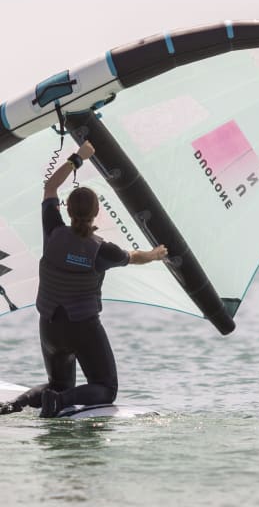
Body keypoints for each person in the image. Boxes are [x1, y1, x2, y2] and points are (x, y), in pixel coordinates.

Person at [0, 140, 167, 418]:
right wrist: (155, 254)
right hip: (82, 328)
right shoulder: (102, 250)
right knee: (104, 387)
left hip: (50, 325)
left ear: (67, 209)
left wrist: (79, 158)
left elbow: (50, 187)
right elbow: (134, 257)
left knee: (57, 382)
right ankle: (60, 401)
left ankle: (15, 404)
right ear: (96, 213)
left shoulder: (52, 231)